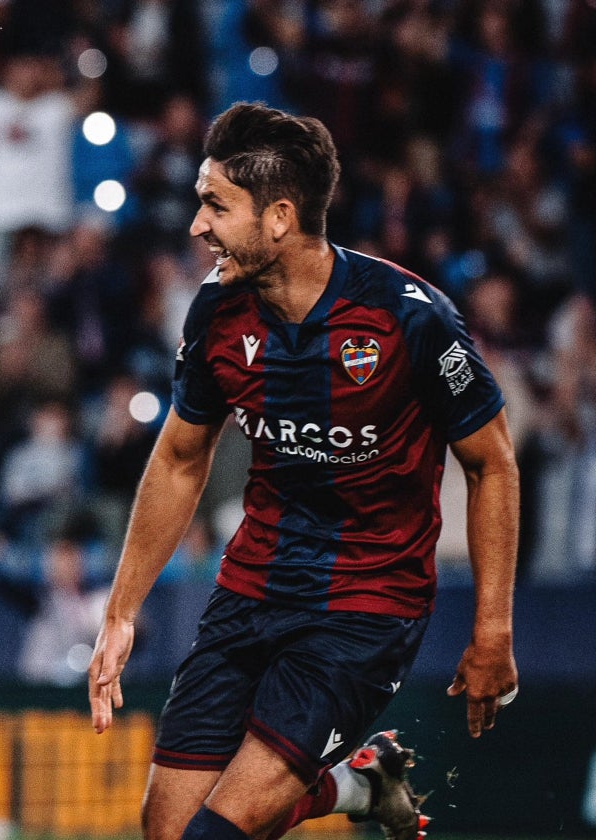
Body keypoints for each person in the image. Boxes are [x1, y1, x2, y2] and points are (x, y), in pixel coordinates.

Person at [87, 102, 519, 840]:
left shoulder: (409, 318)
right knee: (165, 832)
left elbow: (493, 465)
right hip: (251, 589)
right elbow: (181, 457)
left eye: (215, 206)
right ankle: (360, 785)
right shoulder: (217, 312)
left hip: (365, 606)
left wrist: (492, 632)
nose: (197, 225)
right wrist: (121, 612)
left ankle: (348, 782)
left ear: (280, 217)